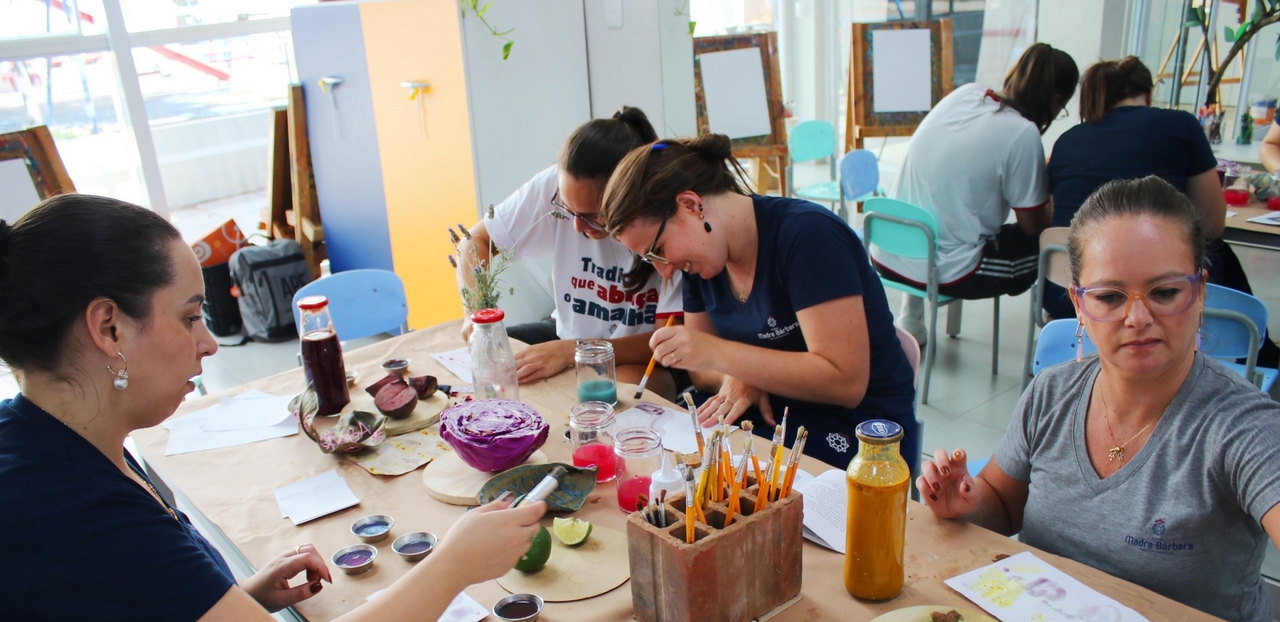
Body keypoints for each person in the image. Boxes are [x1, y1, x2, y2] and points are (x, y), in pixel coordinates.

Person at [0, 194, 546, 622]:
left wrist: (234, 604)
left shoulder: (49, 440)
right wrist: (452, 564)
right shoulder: (63, 509)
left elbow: (110, 618)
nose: (209, 343)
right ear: (109, 328)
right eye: (190, 317)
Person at [917, 177, 1280, 622]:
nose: (1138, 318)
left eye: (1165, 292)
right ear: (1079, 304)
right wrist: (965, 502)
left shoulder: (1242, 427)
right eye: (1109, 297)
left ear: (1200, 291)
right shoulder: (1053, 393)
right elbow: (1005, 505)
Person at [600, 135, 918, 472]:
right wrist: (740, 375)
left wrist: (729, 359)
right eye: (650, 260)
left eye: (659, 250)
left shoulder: (809, 236)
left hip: (859, 428)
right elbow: (702, 372)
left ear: (691, 205)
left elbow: (846, 381)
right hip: (770, 414)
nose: (665, 271)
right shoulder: (703, 261)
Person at [1047, 57, 1279, 365]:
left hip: (1061, 287)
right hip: (1103, 292)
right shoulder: (1180, 125)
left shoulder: (1066, 141)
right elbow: (1213, 224)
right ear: (1148, 94)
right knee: (1216, 254)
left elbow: (1054, 215)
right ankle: (1260, 357)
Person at [454, 107, 683, 400]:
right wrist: (474, 312)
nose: (576, 227)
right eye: (567, 210)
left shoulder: (664, 222)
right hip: (564, 334)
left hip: (639, 356)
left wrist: (575, 351)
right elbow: (474, 242)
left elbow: (669, 342)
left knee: (610, 399)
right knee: (489, 367)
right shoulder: (557, 185)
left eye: (592, 216)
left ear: (628, 197)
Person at [872, 43, 1079, 345]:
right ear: (1056, 100)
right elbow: (1033, 225)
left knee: (942, 213)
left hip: (888, 248)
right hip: (949, 271)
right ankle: (1063, 340)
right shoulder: (1023, 133)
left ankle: (911, 316)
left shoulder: (965, 94)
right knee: (1049, 247)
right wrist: (1050, 194)